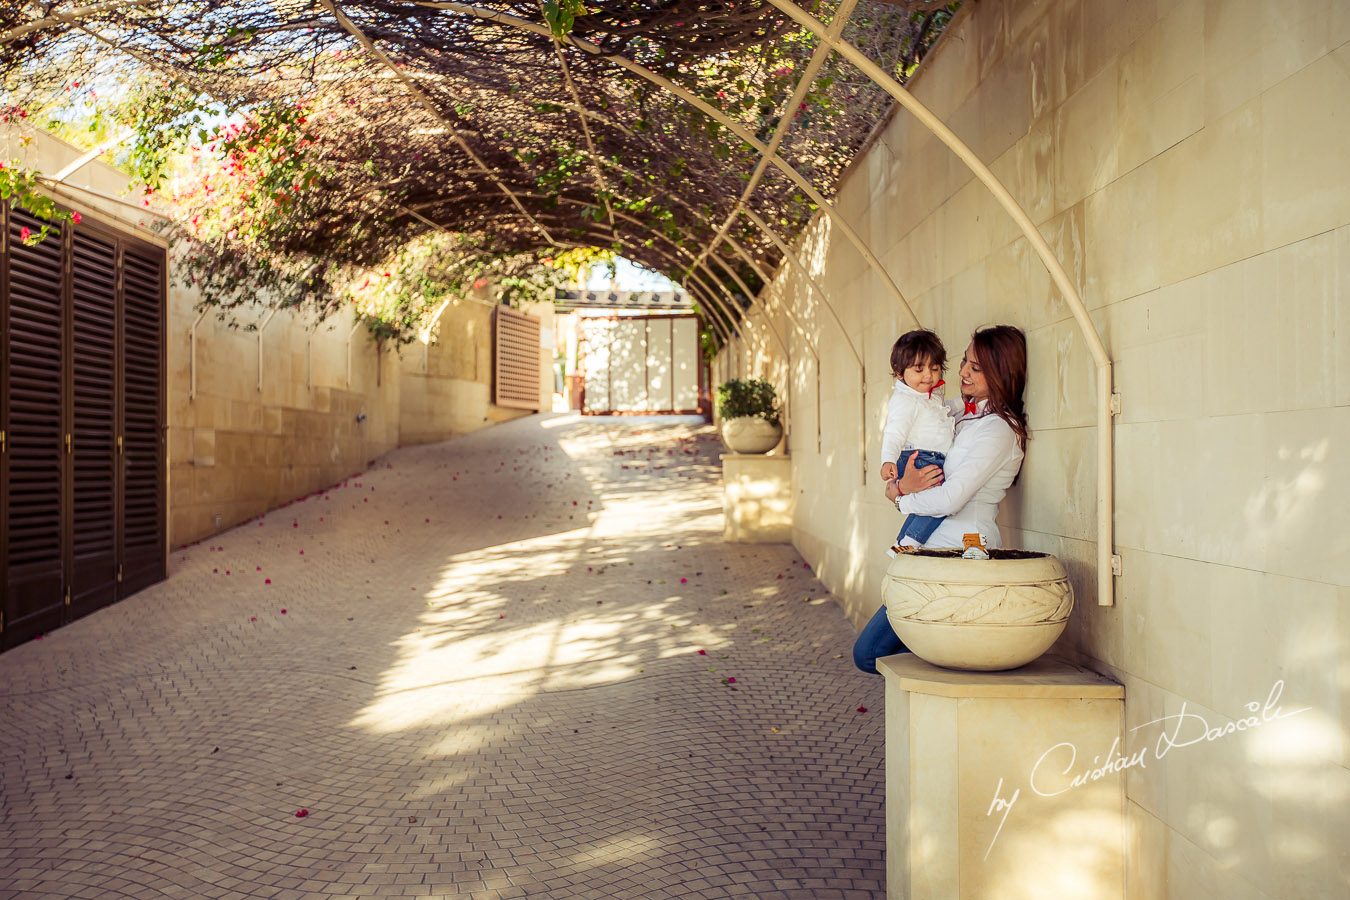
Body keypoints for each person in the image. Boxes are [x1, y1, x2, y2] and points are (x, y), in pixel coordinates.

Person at [853, 324, 1029, 674]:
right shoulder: (963, 414)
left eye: (975, 368)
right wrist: (900, 482)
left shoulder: (998, 430)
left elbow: (950, 499)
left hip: (963, 554)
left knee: (871, 653)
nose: (962, 371)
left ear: (1001, 372)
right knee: (870, 653)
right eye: (964, 361)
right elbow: (912, 411)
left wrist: (900, 496)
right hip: (928, 554)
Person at [878, 330, 955, 555]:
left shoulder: (926, 394)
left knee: (923, 507)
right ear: (900, 372)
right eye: (919, 369)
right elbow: (893, 433)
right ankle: (909, 542)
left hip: (928, 456)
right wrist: (887, 460)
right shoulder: (906, 400)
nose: (928, 376)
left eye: (934, 368)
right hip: (920, 458)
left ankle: (901, 543)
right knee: (939, 503)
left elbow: (945, 411)